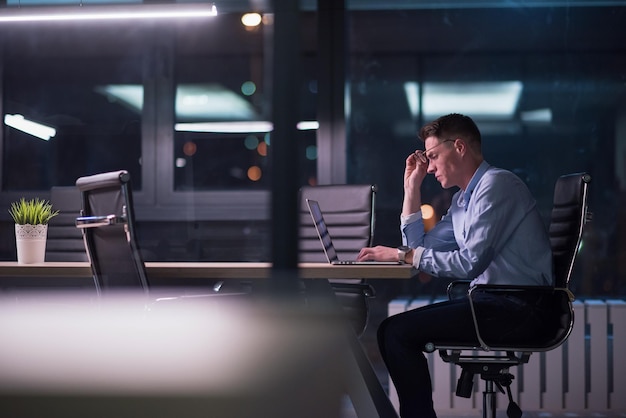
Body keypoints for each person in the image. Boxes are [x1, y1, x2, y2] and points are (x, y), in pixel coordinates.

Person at [357, 113, 553, 418]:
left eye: (434, 156)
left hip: (521, 307)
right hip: (494, 303)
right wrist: (412, 188)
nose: (430, 166)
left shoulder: (496, 186)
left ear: (459, 147)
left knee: (396, 332)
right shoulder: (463, 200)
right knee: (390, 331)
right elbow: (419, 248)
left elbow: (468, 264)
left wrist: (403, 256)